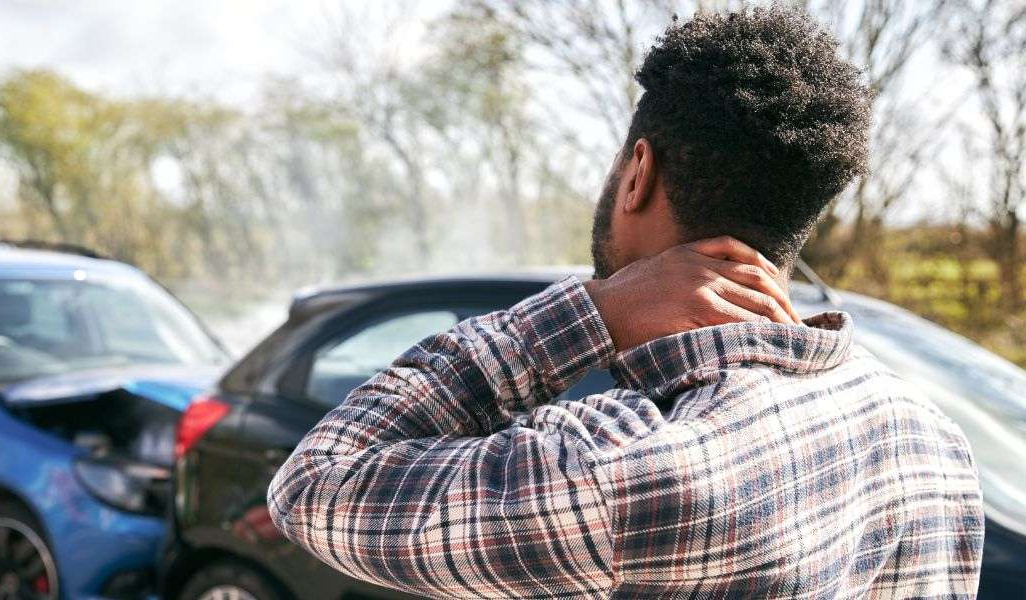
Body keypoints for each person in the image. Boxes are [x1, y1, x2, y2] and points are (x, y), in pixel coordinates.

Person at [267, 7, 983, 598]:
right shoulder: (931, 439)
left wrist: (592, 314)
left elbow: (314, 485)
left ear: (638, 172)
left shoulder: (614, 470)